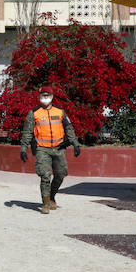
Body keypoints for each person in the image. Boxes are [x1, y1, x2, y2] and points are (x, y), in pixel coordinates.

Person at [20, 85, 81, 214]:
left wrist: (75, 144)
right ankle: (45, 203)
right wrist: (24, 148)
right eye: (43, 96)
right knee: (45, 175)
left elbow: (69, 128)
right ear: (39, 97)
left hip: (58, 148)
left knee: (60, 175)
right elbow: (27, 132)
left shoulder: (60, 112)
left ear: (52, 97)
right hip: (42, 149)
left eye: (47, 96)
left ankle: (52, 196)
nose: (45, 98)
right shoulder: (34, 113)